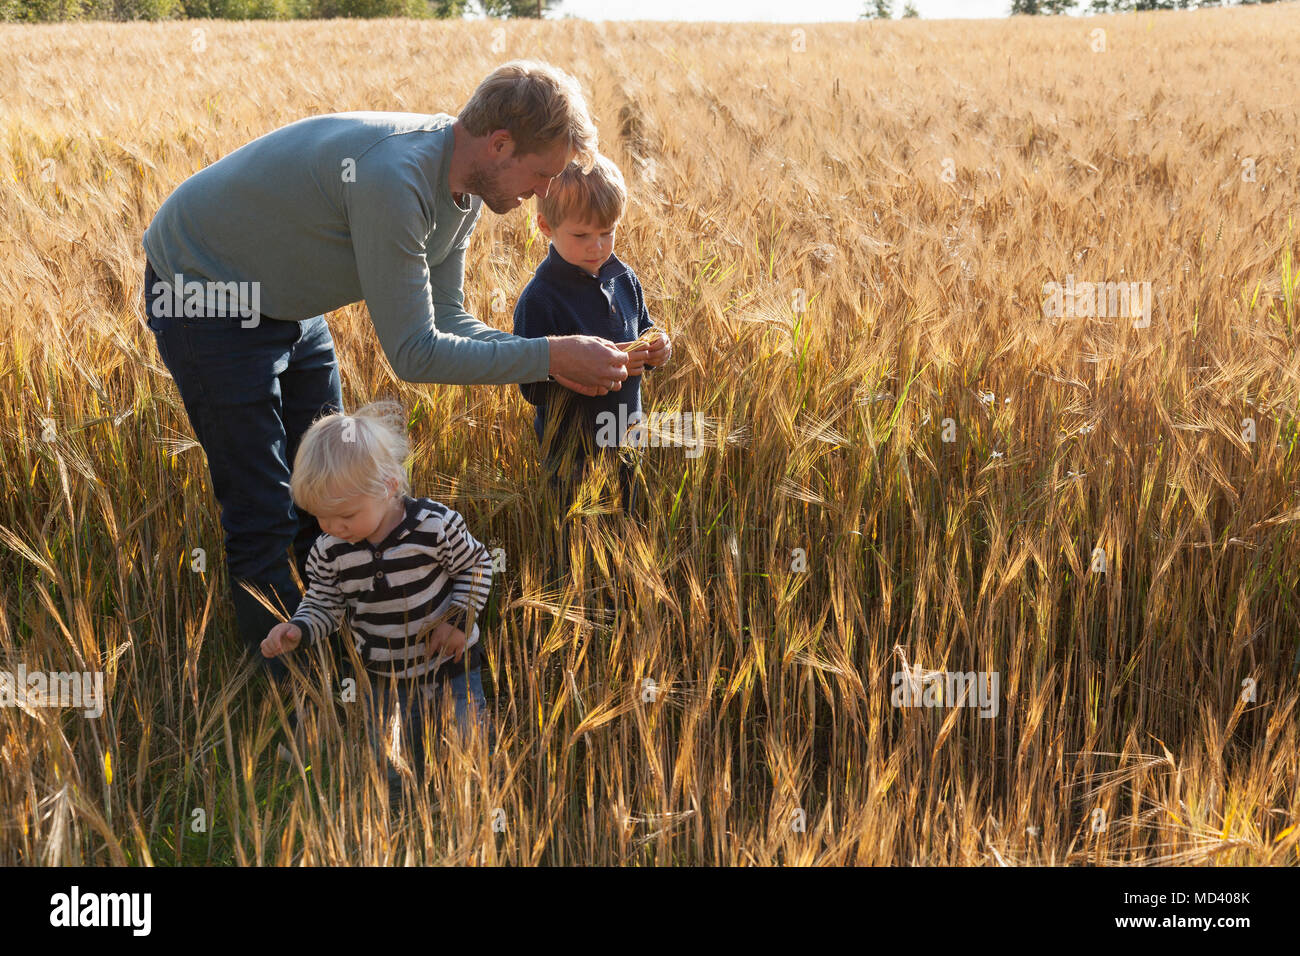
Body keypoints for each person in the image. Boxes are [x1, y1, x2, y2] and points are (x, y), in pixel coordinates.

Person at [140, 60, 629, 680]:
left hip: (286, 301)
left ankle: (338, 655)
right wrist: (551, 355)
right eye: (540, 173)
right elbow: (415, 353)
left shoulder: (466, 192)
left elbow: (449, 320)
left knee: (336, 486)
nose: (541, 190)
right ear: (500, 145)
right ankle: (295, 699)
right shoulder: (394, 179)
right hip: (204, 289)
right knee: (265, 505)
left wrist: (553, 354)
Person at [260, 402, 492, 804]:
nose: (333, 528)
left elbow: (477, 566)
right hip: (383, 679)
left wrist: (457, 620)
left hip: (451, 667)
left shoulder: (435, 527)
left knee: (467, 744)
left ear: (387, 486)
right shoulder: (330, 550)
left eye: (345, 516)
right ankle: (402, 820)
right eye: (321, 519)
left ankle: (470, 811)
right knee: (392, 759)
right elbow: (325, 601)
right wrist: (298, 627)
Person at [512, 153, 673, 518]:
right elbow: (529, 385)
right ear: (545, 226)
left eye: (607, 233)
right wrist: (579, 366)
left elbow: (643, 325)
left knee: (626, 525)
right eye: (582, 235)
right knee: (575, 541)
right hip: (572, 452)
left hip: (628, 437)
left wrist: (656, 345)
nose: (597, 246)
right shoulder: (540, 299)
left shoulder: (625, 279)